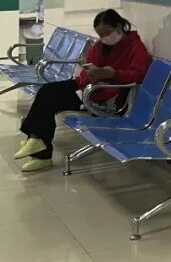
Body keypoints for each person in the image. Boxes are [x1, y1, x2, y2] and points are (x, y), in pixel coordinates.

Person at [14, 9, 151, 172]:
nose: (105, 38)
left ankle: (39, 149)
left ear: (119, 27)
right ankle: (36, 141)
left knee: (49, 99)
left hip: (106, 95)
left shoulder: (136, 47)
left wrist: (114, 74)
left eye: (107, 33)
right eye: (101, 35)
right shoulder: (100, 46)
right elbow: (88, 67)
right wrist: (92, 74)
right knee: (47, 91)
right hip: (87, 87)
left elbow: (140, 75)